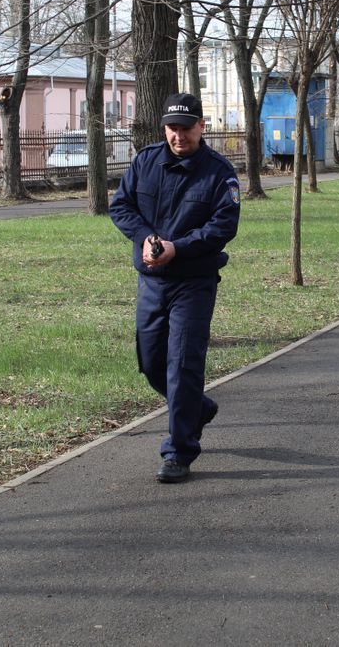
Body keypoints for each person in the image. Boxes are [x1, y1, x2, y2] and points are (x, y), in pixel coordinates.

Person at [109, 92, 241, 483]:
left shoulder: (219, 173)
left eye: (186, 128)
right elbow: (121, 207)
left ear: (201, 126)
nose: (178, 136)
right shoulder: (146, 161)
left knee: (182, 364)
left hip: (194, 282)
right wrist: (147, 238)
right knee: (151, 363)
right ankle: (195, 408)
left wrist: (176, 248)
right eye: (172, 128)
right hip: (152, 281)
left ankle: (179, 451)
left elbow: (223, 226)